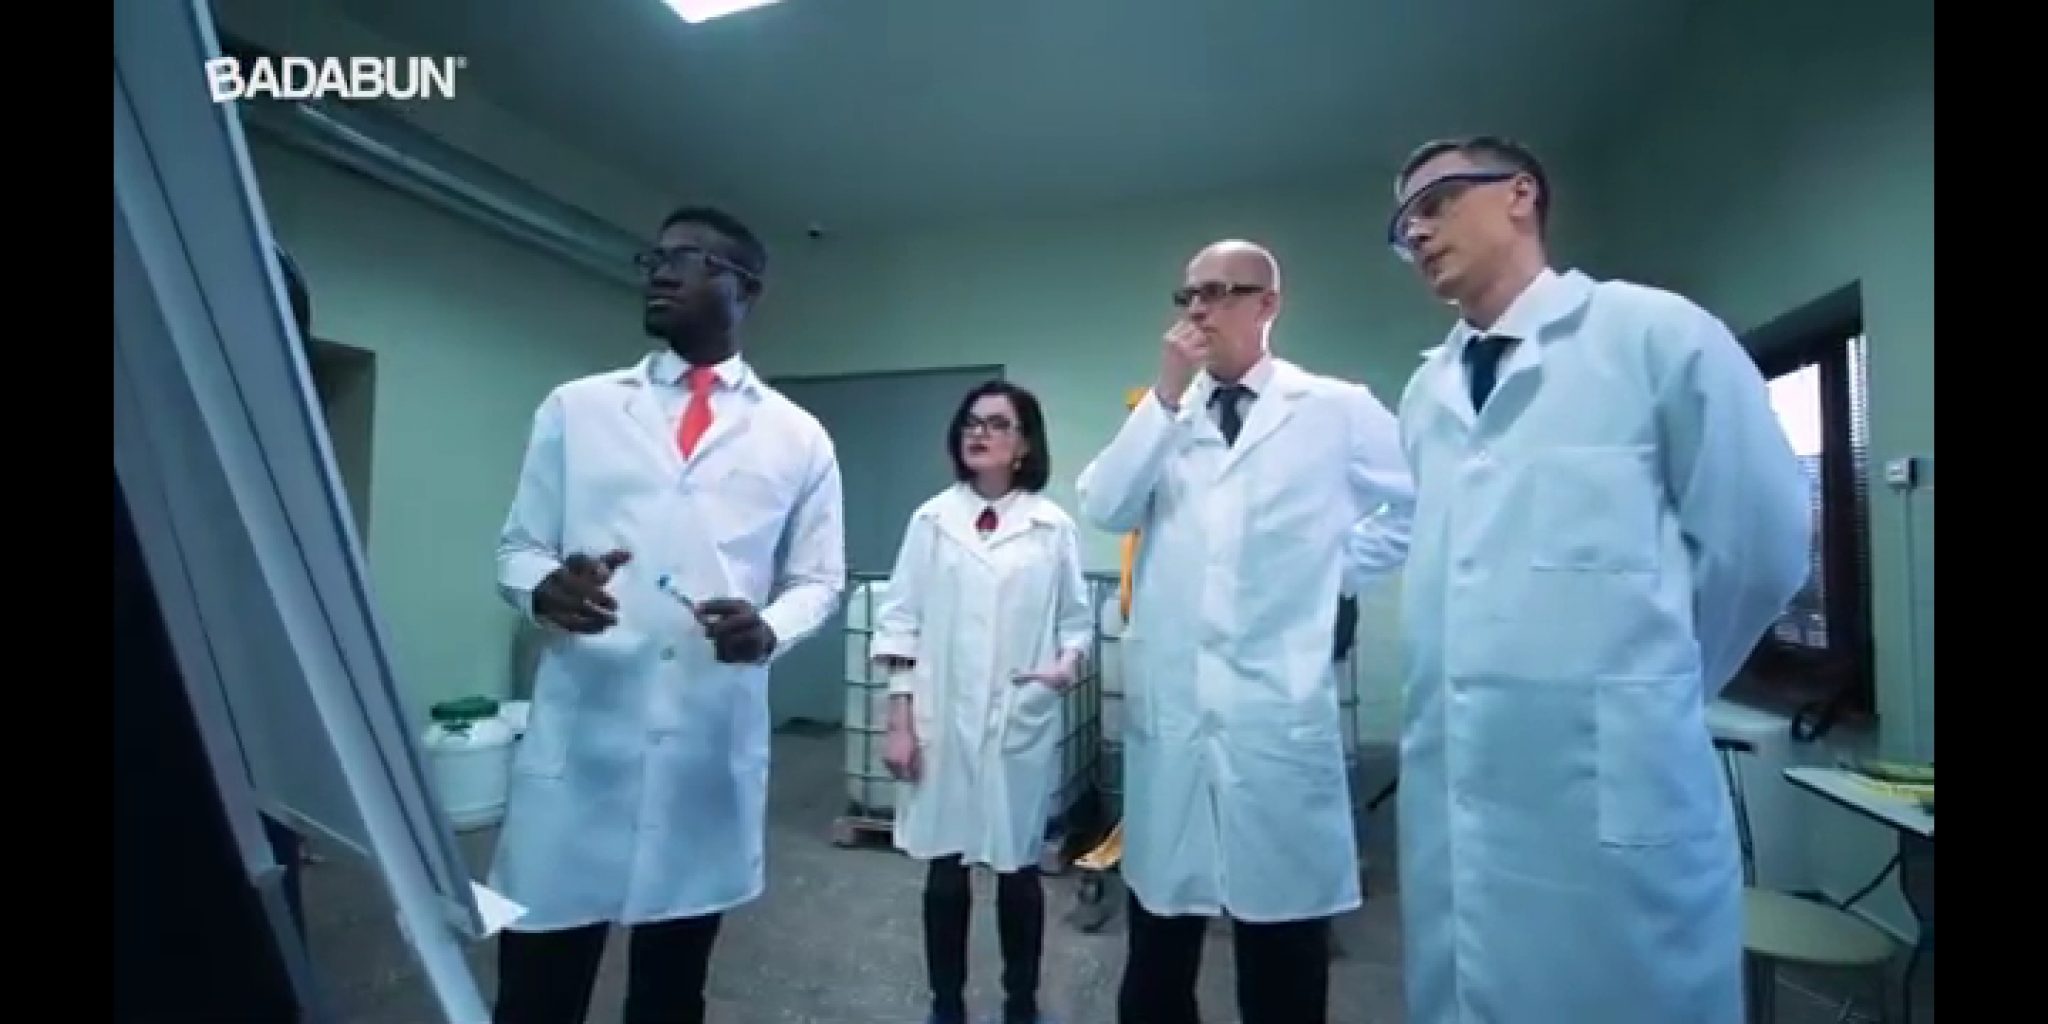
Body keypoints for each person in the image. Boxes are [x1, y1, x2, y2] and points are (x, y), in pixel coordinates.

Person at [1385, 136, 1811, 1024]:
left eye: (1435, 202)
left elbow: (1761, 548)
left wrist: (1649, 687)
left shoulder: (1653, 334)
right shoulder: (1425, 396)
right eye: (1403, 224)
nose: (1415, 231)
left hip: (1614, 791)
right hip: (1460, 788)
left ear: (1520, 195)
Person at [489, 206, 846, 1024]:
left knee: (671, 993)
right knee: (536, 988)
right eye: (657, 256)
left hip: (703, 745)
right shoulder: (577, 408)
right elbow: (517, 548)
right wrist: (544, 588)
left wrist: (770, 629)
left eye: (691, 258)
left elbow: (819, 580)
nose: (662, 270)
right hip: (582, 738)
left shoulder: (798, 436)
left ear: (745, 289)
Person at [1076, 239, 1415, 1023]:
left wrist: (1335, 568)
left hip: (1274, 715)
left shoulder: (1333, 408)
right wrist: (1164, 397)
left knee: (1283, 952)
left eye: (1222, 291)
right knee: (1158, 951)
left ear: (1268, 305)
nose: (1200, 307)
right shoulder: (1165, 416)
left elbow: (1422, 498)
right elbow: (1106, 506)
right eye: (1189, 294)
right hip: (1176, 717)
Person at [871, 378, 1093, 1024]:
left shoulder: (1052, 527)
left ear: (1024, 445)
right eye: (972, 422)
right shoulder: (932, 521)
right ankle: (947, 1005)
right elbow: (900, 622)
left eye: (997, 424)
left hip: (1016, 717)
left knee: (1017, 870)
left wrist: (1064, 665)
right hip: (940, 717)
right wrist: (899, 720)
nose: (979, 433)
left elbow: (1076, 622)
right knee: (945, 869)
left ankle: (1021, 1003)